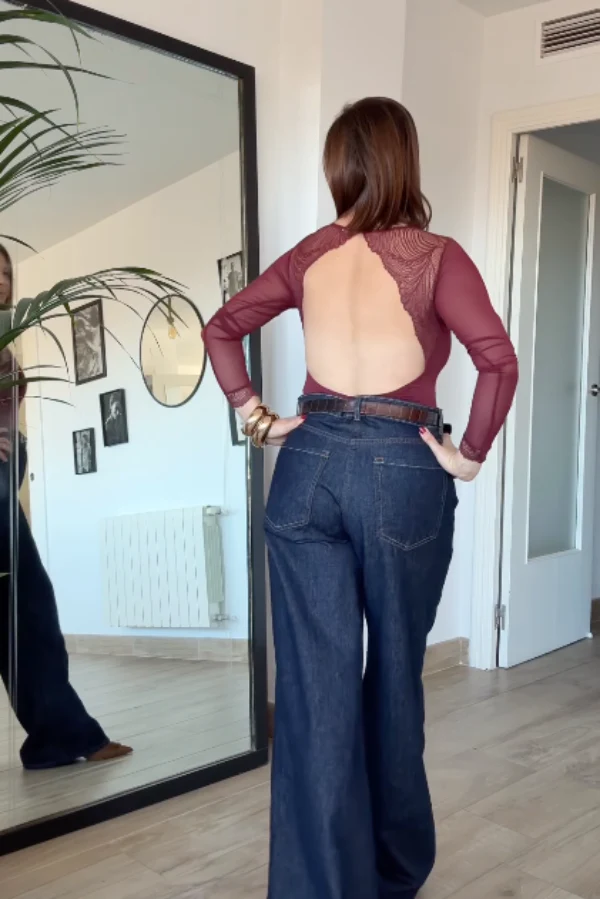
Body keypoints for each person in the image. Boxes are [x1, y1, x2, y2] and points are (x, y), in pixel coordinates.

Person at [202, 98, 518, 899]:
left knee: (315, 691)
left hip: (306, 463)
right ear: (404, 158)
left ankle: (320, 886)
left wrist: (256, 416)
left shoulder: (310, 255)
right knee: (395, 679)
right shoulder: (437, 256)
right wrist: (470, 455)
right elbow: (497, 360)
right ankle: (393, 872)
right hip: (401, 464)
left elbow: (221, 326)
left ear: (340, 164)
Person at [0, 243, 133, 769]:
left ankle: (58, 737)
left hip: (4, 482)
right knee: (28, 610)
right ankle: (66, 736)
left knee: (28, 614)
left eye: (6, 272)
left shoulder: (5, 338)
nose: (2, 280)